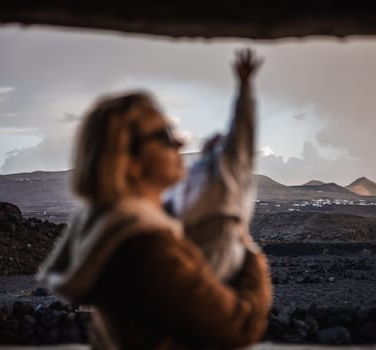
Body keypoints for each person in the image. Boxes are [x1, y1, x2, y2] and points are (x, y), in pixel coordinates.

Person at [37, 49, 272, 350]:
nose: (182, 143)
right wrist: (252, 257)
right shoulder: (152, 250)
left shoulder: (106, 227)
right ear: (129, 162)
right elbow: (240, 326)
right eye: (164, 136)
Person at [164, 49, 261, 282]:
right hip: (183, 243)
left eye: (223, 138)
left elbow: (243, 133)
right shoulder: (188, 175)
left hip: (217, 244)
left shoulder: (229, 170)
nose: (218, 135)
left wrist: (245, 88)